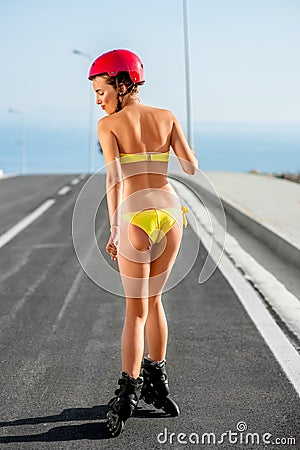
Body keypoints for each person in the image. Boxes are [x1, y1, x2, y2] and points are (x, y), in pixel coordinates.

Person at [88, 49, 198, 436]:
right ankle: (157, 380)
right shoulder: (166, 116)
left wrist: (116, 230)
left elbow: (114, 180)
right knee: (155, 303)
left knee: (135, 310)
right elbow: (190, 166)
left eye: (101, 91)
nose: (98, 100)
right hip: (171, 216)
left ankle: (127, 393)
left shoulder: (109, 126)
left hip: (134, 218)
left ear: (121, 84)